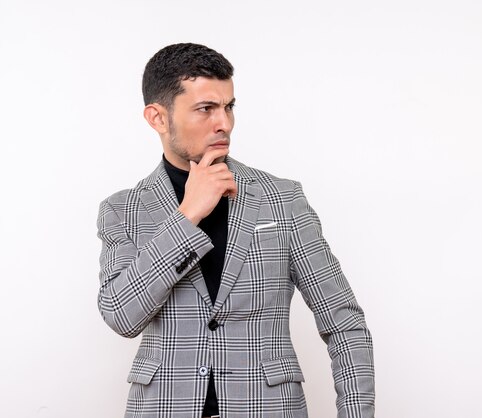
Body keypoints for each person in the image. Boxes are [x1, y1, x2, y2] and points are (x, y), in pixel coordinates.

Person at [96, 43, 375, 418]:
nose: (223, 123)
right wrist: (188, 214)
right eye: (206, 108)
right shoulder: (122, 209)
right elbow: (121, 315)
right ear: (157, 118)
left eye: (229, 107)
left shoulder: (282, 198)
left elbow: (345, 323)